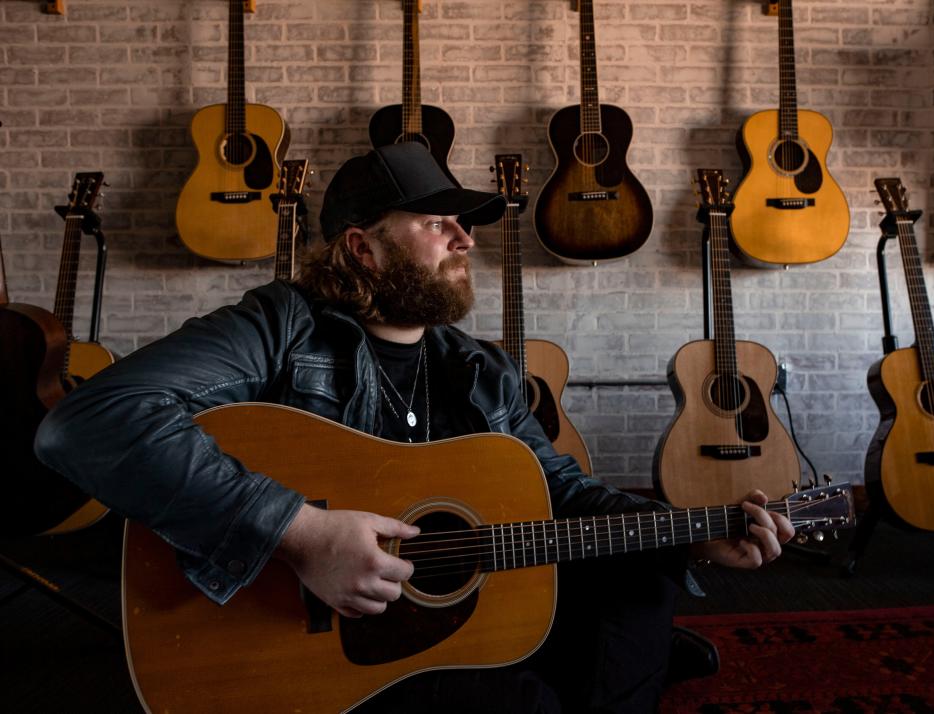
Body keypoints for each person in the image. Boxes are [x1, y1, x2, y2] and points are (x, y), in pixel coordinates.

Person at [35, 142, 794, 713]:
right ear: (362, 247)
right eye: (438, 223)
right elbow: (88, 421)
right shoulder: (278, 326)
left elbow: (558, 493)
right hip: (300, 628)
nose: (466, 239)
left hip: (444, 616)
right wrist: (299, 532)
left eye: (464, 224)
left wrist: (689, 532)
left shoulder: (481, 370)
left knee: (641, 575)